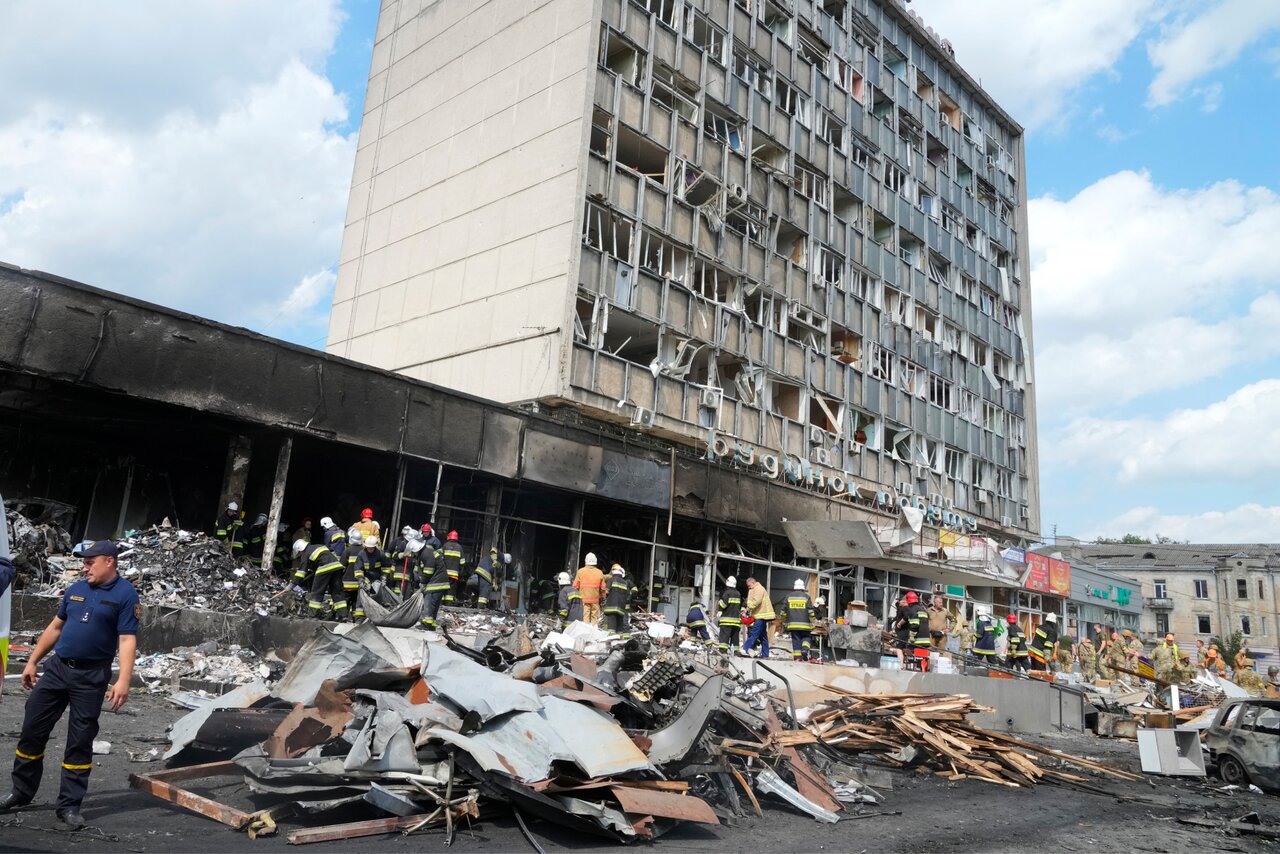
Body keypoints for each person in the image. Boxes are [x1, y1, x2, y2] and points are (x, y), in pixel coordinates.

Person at [1, 540, 138, 829]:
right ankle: (21, 792)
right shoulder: (76, 590)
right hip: (57, 670)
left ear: (109, 561)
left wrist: (123, 680)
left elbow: (126, 639)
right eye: (84, 562)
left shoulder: (126, 594)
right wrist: (32, 661)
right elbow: (55, 627)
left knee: (80, 740)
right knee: (31, 730)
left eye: (90, 562)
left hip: (91, 677)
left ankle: (69, 806)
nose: (84, 567)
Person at [293, 539, 344, 618]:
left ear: (300, 549)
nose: (300, 554)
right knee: (337, 592)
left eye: (299, 553)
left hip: (325, 568)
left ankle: (312, 615)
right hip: (337, 567)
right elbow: (331, 553)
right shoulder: (319, 546)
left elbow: (301, 572)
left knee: (317, 592)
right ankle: (343, 615)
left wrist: (292, 583)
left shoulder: (306, 553)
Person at [780, 581, 816, 661]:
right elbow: (810, 612)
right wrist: (813, 621)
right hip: (805, 625)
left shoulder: (788, 597)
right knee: (806, 637)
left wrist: (785, 621)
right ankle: (805, 649)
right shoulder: (806, 597)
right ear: (803, 588)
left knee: (796, 640)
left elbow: (783, 612)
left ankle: (797, 658)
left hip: (792, 625)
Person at [741, 577, 775, 658]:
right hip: (761, 615)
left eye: (749, 585)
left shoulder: (758, 589)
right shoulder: (756, 589)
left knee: (754, 633)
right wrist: (747, 609)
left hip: (761, 615)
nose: (748, 587)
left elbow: (757, 601)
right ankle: (765, 654)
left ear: (753, 582)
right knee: (763, 636)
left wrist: (748, 607)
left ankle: (745, 648)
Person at [573, 553, 606, 625]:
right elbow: (603, 588)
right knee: (595, 617)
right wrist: (603, 597)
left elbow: (575, 586)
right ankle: (594, 631)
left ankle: (586, 631)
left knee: (585, 616)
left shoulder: (580, 571)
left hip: (584, 599)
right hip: (595, 600)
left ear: (586, 561)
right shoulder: (599, 572)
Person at [901, 591, 930, 670]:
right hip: (926, 640)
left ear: (908, 601)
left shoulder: (912, 610)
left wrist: (911, 638)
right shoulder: (923, 610)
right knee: (923, 660)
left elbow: (914, 625)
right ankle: (923, 672)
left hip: (918, 640)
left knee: (915, 661)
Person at [716, 576, 742, 654]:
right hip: (736, 620)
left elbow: (723, 605)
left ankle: (723, 651)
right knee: (735, 637)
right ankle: (736, 651)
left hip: (726, 620)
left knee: (724, 636)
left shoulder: (727, 593)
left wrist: (719, 601)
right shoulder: (738, 593)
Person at [439, 531, 466, 606]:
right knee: (450, 590)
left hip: (444, 573)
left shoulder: (445, 546)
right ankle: (448, 604)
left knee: (442, 587)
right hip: (454, 574)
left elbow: (440, 559)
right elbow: (463, 562)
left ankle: (441, 604)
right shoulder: (459, 547)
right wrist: (461, 573)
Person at [603, 565, 631, 634]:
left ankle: (612, 640)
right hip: (621, 609)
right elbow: (628, 595)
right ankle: (620, 642)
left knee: (611, 629)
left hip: (611, 608)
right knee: (619, 629)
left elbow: (606, 592)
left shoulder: (611, 580)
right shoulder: (625, 583)